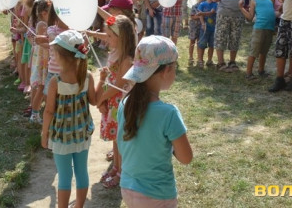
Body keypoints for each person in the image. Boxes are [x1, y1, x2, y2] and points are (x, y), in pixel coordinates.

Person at [117, 35, 193, 207]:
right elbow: (186, 158)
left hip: (128, 188)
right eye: (175, 68)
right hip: (157, 196)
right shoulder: (169, 114)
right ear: (167, 70)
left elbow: (122, 146)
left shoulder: (124, 104)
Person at [42, 30, 96, 208]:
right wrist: (102, 79)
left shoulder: (55, 82)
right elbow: (94, 101)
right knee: (82, 172)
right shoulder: (87, 76)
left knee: (64, 177)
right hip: (82, 133)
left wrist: (44, 134)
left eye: (55, 52)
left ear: (61, 56)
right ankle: (79, 206)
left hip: (61, 136)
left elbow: (49, 111)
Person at [94, 15, 136, 189]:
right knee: (115, 139)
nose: (106, 39)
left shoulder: (126, 59)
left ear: (122, 38)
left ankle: (121, 173)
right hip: (113, 100)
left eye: (110, 36)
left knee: (120, 140)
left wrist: (101, 99)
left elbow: (118, 85)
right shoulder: (115, 53)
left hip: (120, 102)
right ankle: (116, 168)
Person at [213, 0, 249, 72]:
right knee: (220, 37)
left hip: (238, 15)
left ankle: (232, 62)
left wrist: (245, 5)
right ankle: (220, 62)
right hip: (223, 13)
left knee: (235, 38)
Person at [239, 0, 275, 79]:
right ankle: (248, 73)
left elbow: (272, 13)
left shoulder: (269, 0)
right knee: (254, 51)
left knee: (264, 51)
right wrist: (241, 8)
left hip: (269, 29)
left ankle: (261, 70)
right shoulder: (254, 1)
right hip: (259, 29)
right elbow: (250, 17)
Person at [29, 0, 52, 125]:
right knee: (42, 87)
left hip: (46, 57)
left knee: (45, 87)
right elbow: (42, 42)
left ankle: (44, 113)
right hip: (43, 59)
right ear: (44, 13)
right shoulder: (42, 25)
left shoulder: (47, 23)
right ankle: (35, 114)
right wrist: (54, 45)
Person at [197, 0, 217, 67]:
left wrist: (202, 13)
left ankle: (209, 60)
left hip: (213, 29)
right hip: (204, 28)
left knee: (211, 45)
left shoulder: (215, 4)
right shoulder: (202, 4)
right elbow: (200, 16)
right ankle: (200, 60)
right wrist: (202, 23)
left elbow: (212, 12)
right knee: (202, 44)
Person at [188, 0, 205, 66]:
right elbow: (192, 16)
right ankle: (191, 57)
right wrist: (200, 16)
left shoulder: (205, 6)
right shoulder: (194, 6)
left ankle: (199, 58)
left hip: (201, 27)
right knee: (192, 41)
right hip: (194, 27)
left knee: (199, 42)